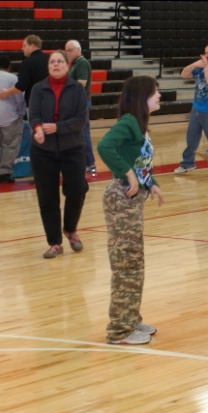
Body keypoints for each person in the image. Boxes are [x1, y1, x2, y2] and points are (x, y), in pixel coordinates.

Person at [97, 76, 164, 345]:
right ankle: (119, 330)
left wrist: (151, 183)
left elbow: (139, 162)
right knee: (126, 264)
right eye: (155, 91)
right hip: (121, 199)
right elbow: (104, 146)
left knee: (134, 263)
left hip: (132, 201)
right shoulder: (129, 122)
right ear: (142, 97)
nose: (159, 95)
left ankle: (131, 319)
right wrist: (128, 174)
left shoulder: (140, 125)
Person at [29, 50, 89, 258]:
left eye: (59, 61)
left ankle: (70, 229)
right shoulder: (38, 88)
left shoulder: (77, 89)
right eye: (52, 62)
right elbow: (33, 115)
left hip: (72, 148)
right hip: (42, 151)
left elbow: (81, 119)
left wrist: (57, 127)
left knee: (77, 190)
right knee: (47, 198)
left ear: (67, 65)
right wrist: (37, 129)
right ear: (48, 66)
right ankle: (54, 243)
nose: (56, 64)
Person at [174, 43, 208, 178]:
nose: (206, 56)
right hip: (197, 108)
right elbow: (184, 74)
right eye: (205, 53)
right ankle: (187, 163)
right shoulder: (201, 66)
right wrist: (195, 64)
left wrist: (205, 67)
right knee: (191, 138)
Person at [65, 40, 96, 174]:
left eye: (70, 50)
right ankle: (84, 161)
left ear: (78, 49)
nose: (67, 53)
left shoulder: (82, 63)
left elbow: (81, 83)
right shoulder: (75, 63)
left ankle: (89, 163)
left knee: (83, 132)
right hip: (77, 101)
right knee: (80, 132)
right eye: (66, 50)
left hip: (81, 102)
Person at [0, 35, 49, 107]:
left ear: (32, 46)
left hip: (34, 102)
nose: (22, 48)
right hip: (51, 100)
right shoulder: (50, 59)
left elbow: (21, 86)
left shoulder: (27, 62)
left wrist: (7, 92)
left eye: (24, 46)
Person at [0, 55, 25, 184]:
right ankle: (3, 173)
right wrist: (21, 114)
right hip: (10, 117)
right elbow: (19, 99)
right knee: (10, 146)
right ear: (9, 66)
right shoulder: (13, 78)